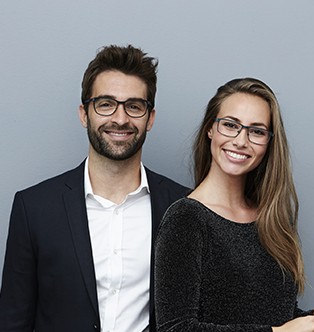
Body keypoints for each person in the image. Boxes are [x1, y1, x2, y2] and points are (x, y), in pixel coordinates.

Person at [0, 44, 188, 332]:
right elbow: (13, 321)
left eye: (134, 106)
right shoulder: (34, 208)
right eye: (105, 104)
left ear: (150, 118)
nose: (121, 118)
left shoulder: (183, 206)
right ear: (84, 114)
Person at [154, 77, 314, 331]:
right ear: (210, 129)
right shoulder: (186, 218)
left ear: (269, 143)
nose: (241, 141)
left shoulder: (272, 220)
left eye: (257, 131)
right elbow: (176, 329)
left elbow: (270, 314)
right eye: (230, 125)